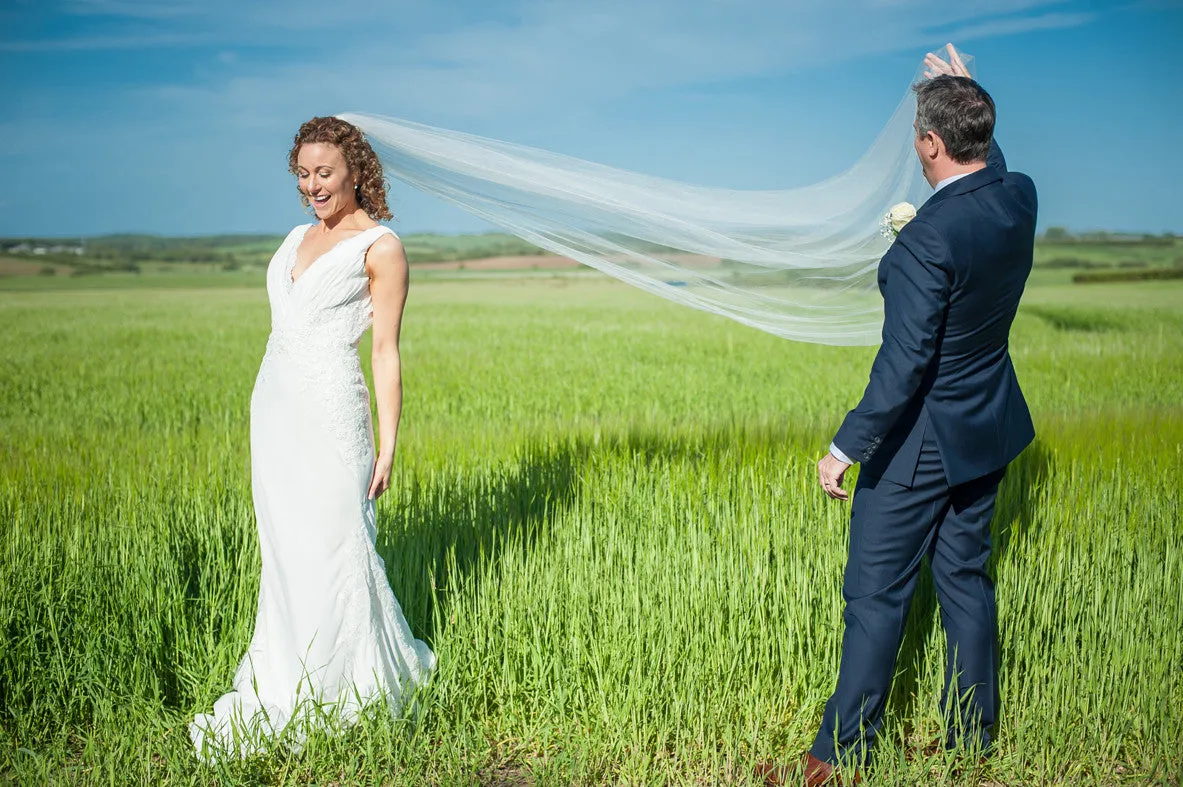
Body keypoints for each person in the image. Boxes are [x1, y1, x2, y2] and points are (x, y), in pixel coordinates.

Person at [758, 45, 1037, 786]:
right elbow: (993, 166)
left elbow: (903, 364)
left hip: (918, 448)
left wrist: (844, 447)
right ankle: (972, 740)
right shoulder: (1018, 197)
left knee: (873, 597)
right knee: (966, 580)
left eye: (919, 132)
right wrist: (970, 90)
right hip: (989, 428)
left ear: (928, 143)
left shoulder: (926, 239)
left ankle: (839, 756)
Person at [190, 116, 435, 759]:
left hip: (333, 419)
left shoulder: (382, 248)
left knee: (337, 545)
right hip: (273, 412)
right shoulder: (296, 236)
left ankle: (352, 687)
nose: (313, 186)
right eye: (303, 174)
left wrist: (388, 444)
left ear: (356, 169)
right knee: (287, 553)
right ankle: (286, 675)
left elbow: (385, 351)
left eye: (324, 172)